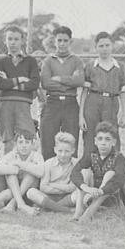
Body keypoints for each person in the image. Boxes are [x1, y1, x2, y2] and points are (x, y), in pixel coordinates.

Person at [40, 26, 86, 160]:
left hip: (71, 102)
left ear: (70, 41)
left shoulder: (76, 60)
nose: (62, 44)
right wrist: (69, 82)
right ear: (54, 41)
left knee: (71, 141)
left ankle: (71, 177)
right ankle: (48, 175)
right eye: (59, 40)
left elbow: (79, 80)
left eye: (65, 41)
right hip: (52, 102)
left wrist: (59, 79)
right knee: (48, 141)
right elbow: (46, 83)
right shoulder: (48, 61)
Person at [79, 31, 125, 158]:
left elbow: (122, 91)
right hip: (93, 102)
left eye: (107, 45)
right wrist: (81, 115)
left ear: (112, 46)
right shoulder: (90, 66)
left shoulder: (119, 67)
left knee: (111, 136)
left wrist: (124, 113)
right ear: (96, 47)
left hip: (111, 103)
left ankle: (111, 171)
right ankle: (89, 171)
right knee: (90, 138)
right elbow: (84, 92)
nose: (104, 49)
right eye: (101, 46)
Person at [71, 121, 125, 222]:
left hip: (109, 196)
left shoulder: (119, 158)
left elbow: (119, 179)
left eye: (107, 139)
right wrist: (86, 188)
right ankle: (78, 212)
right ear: (95, 141)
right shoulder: (91, 154)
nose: (103, 143)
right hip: (91, 194)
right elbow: (75, 172)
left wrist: (102, 190)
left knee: (110, 174)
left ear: (114, 142)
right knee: (84, 172)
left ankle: (88, 214)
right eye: (100, 139)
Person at [0, 25, 40, 154]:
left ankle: (25, 171)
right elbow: (1, 84)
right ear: (5, 41)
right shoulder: (1, 62)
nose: (13, 42)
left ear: (22, 41)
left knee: (27, 136)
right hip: (5, 104)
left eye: (16, 39)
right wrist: (21, 79)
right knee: (7, 139)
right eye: (10, 39)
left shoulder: (30, 61)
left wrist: (10, 82)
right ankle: (8, 171)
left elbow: (34, 83)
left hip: (23, 104)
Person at [0, 129, 44, 215]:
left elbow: (40, 172)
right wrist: (16, 170)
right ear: (16, 144)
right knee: (11, 173)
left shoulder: (37, 155)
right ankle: (21, 204)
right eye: (20, 142)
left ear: (32, 144)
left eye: (27, 142)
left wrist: (20, 164)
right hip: (14, 191)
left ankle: (13, 204)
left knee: (30, 174)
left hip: (30, 193)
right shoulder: (12, 154)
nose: (24, 146)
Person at [27, 132, 78, 213]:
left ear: (73, 151)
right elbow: (43, 187)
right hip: (49, 196)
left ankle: (49, 207)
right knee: (31, 192)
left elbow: (73, 187)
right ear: (55, 150)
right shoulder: (48, 163)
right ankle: (67, 210)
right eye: (60, 151)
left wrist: (53, 185)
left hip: (67, 197)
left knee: (78, 194)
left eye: (67, 151)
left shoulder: (76, 164)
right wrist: (65, 187)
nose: (63, 155)